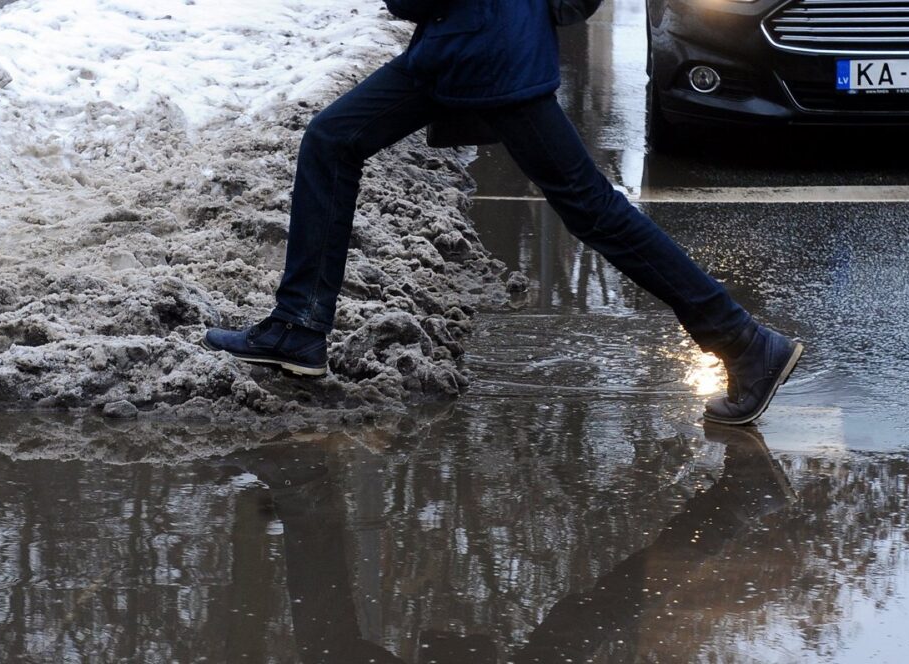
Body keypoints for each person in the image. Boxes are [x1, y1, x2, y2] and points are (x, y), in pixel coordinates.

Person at [202, 0, 803, 425]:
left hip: (479, 51)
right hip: (487, 45)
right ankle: (298, 328)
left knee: (593, 209)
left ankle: (744, 341)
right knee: (332, 142)